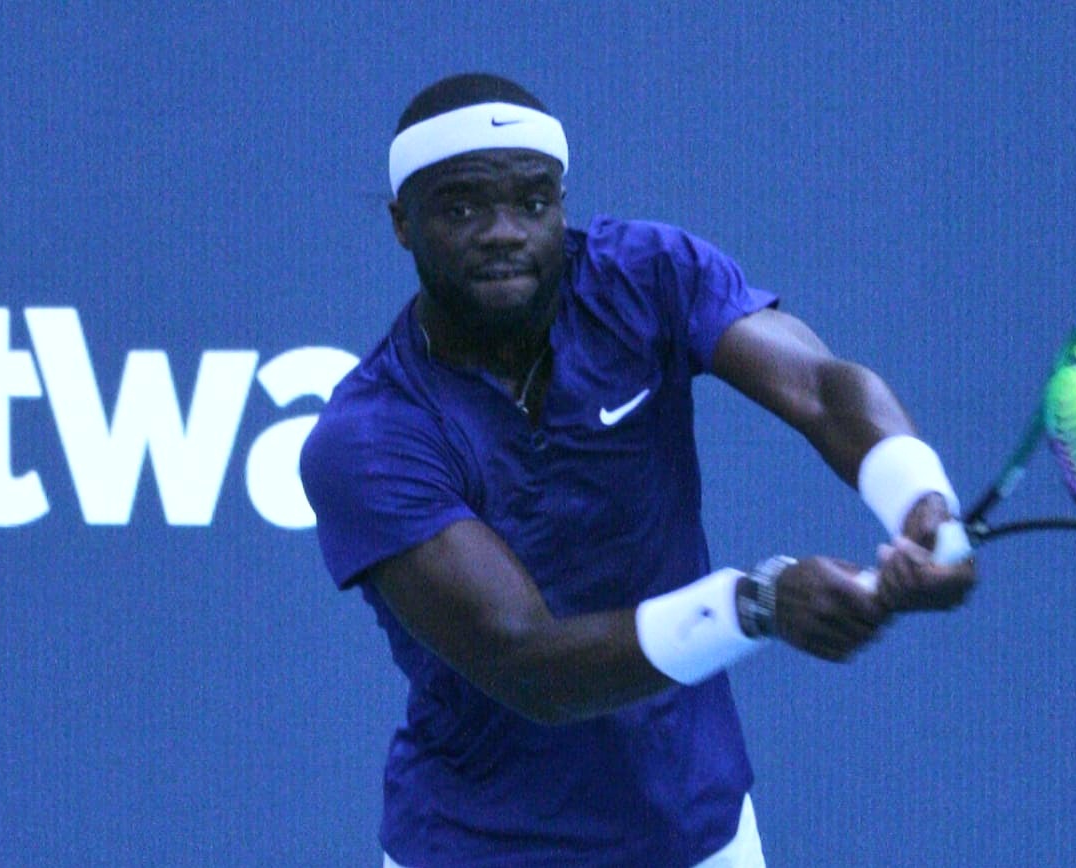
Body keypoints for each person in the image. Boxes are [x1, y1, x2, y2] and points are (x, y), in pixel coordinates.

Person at [299, 73, 976, 868]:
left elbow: (825, 391)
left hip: (699, 834)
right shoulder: (370, 436)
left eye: (532, 201)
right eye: (461, 208)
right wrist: (755, 603)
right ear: (401, 224)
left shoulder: (644, 275)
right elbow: (531, 663)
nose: (504, 232)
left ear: (562, 204)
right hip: (476, 850)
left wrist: (920, 500)